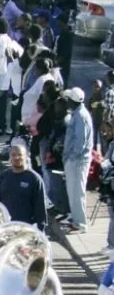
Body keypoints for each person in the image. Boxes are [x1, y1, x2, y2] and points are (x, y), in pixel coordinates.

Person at [0, 140, 47, 229]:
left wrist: (40, 229)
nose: (16, 157)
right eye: (13, 155)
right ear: (9, 157)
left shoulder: (34, 178)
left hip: (26, 227)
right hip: (6, 226)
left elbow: (40, 207)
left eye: (20, 155)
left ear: (26, 157)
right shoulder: (3, 177)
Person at [61, 86, 93, 233]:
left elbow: (80, 141)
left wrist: (71, 157)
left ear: (72, 101)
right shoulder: (76, 113)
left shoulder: (81, 116)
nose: (66, 101)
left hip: (78, 161)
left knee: (77, 192)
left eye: (68, 99)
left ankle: (80, 224)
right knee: (72, 192)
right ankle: (75, 220)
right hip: (73, 160)